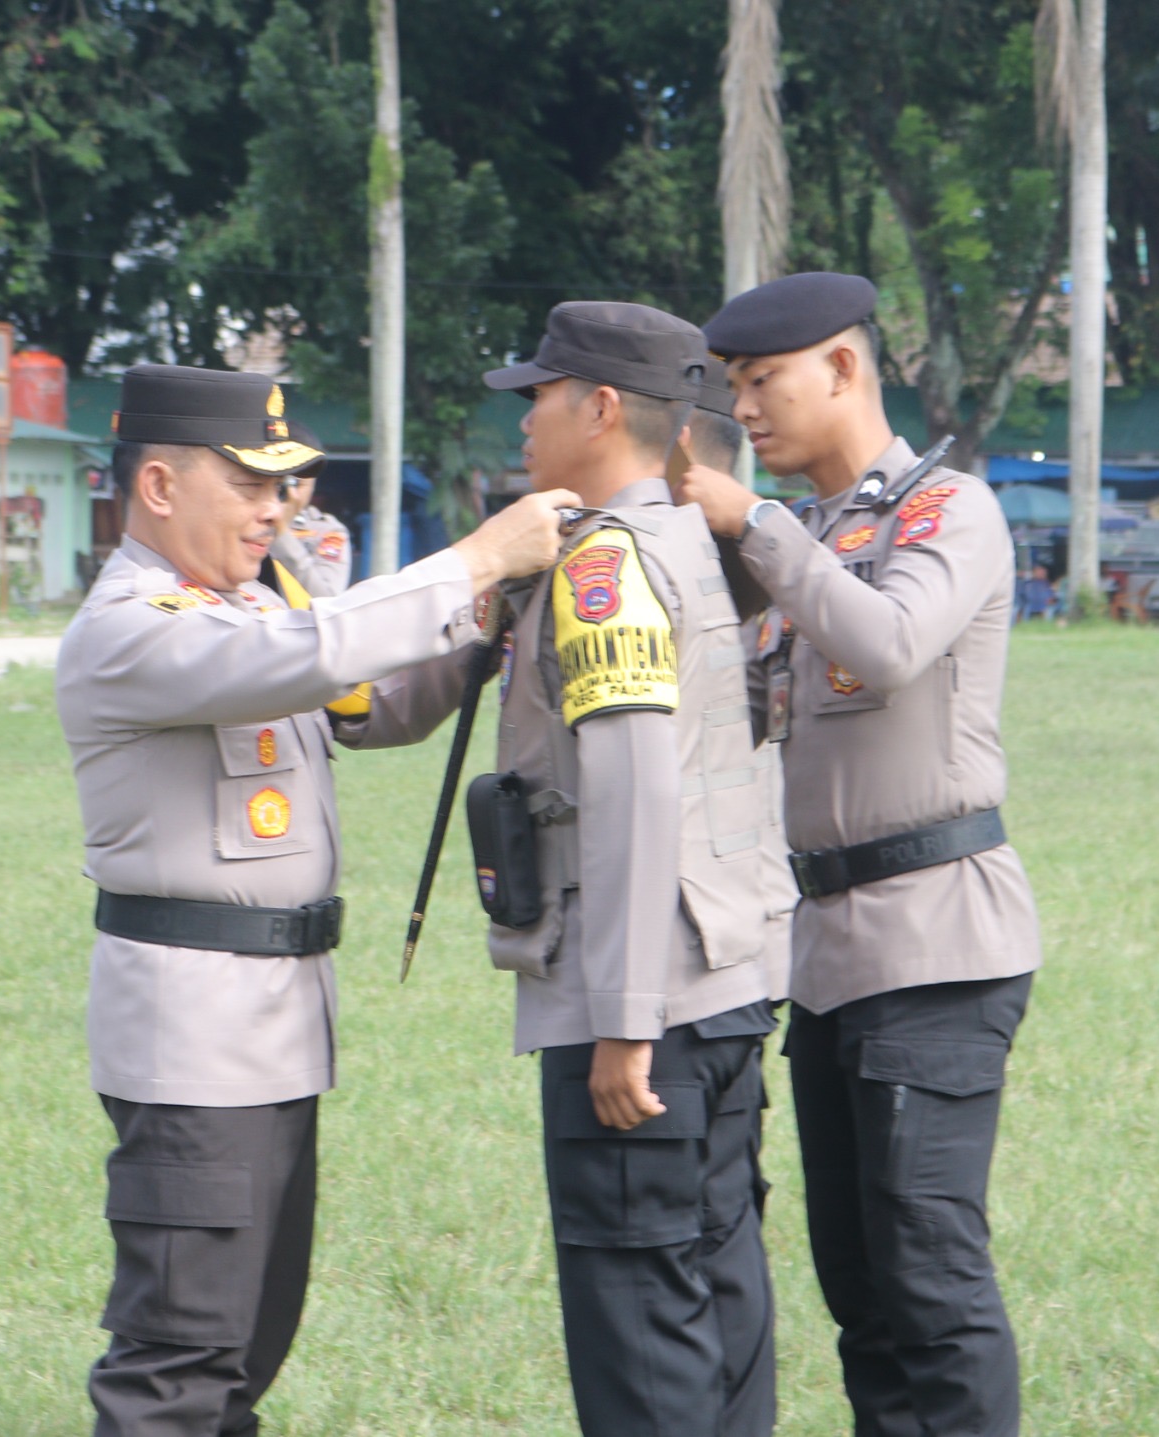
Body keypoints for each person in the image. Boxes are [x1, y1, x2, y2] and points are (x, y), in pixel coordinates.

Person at [53, 364, 580, 1437]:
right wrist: (476, 555)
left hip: (272, 1032)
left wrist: (483, 617)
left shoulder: (244, 610)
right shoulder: (135, 627)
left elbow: (368, 705)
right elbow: (315, 651)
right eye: (248, 483)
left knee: (244, 1350)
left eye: (280, 484)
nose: (274, 507)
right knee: (177, 1361)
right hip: (193, 1043)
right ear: (158, 486)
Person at [336, 302, 796, 1437]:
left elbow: (636, 784)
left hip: (643, 1008)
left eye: (537, 395)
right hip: (723, 986)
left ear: (599, 408)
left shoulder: (604, 569)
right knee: (718, 1295)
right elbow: (391, 702)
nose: (524, 418)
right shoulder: (673, 539)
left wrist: (623, 1022)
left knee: (639, 1324)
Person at [674, 271, 1043, 1437]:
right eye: (733, 390)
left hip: (934, 944)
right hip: (828, 954)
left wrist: (755, 527)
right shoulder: (813, 539)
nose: (750, 412)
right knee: (861, 1290)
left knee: (930, 1283)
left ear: (842, 367)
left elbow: (885, 644)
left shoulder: (947, 511)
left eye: (765, 381)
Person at [267, 463, 353, 598]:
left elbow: (326, 597)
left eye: (295, 484)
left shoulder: (326, 529)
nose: (288, 493)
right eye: (277, 484)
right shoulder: (242, 520)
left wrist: (282, 534)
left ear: (311, 485)